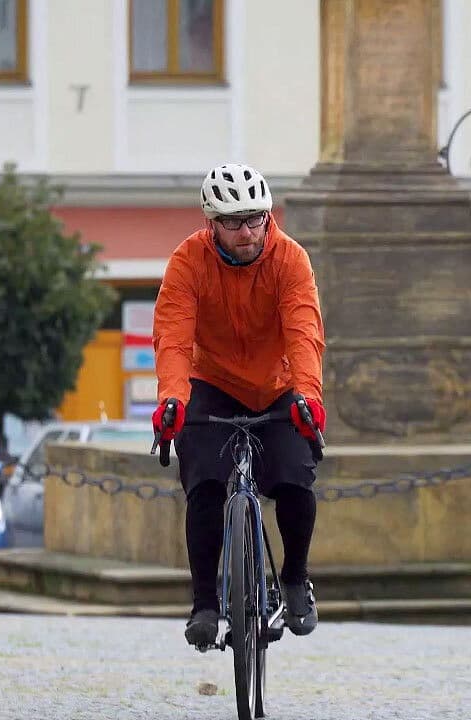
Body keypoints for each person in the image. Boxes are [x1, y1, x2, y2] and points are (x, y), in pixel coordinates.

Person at [152, 162, 326, 648]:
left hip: (278, 385)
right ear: (212, 223)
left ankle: (294, 579)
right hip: (212, 383)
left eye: (256, 219)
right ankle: (205, 602)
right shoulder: (187, 262)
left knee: (295, 477)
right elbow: (173, 338)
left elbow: (305, 333)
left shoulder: (290, 259)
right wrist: (172, 399)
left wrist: (308, 398)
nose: (248, 232)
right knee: (205, 484)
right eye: (233, 222)